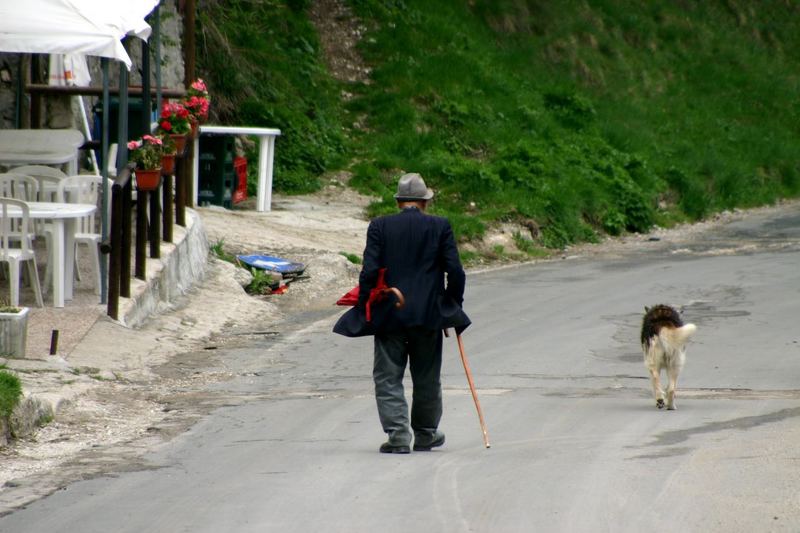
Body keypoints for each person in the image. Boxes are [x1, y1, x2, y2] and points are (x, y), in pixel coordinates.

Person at [334, 173, 469, 454]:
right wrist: (450, 305)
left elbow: (369, 271)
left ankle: (397, 436)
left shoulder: (380, 226)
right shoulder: (440, 226)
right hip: (428, 314)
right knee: (427, 376)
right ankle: (425, 433)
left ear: (398, 202)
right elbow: (455, 271)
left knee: (388, 376)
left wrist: (364, 308)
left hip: (390, 312)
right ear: (425, 201)